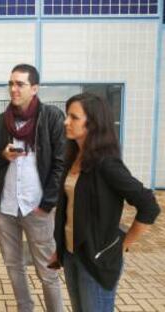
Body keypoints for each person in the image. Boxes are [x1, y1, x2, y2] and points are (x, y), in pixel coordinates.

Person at [52, 92, 160, 312]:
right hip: (73, 255)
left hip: (97, 261)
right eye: (67, 115)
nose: (66, 122)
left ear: (92, 124)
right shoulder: (73, 158)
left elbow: (149, 205)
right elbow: (69, 210)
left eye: (73, 117)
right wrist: (60, 249)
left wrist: (124, 244)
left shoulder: (106, 164)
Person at [0, 64, 65, 312]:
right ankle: (25, 308)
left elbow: (60, 163)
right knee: (13, 265)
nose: (13, 88)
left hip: (37, 208)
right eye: (11, 83)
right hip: (6, 208)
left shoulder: (51, 117)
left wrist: (48, 204)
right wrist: (3, 155)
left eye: (19, 84)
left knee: (47, 270)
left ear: (34, 88)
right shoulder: (1, 122)